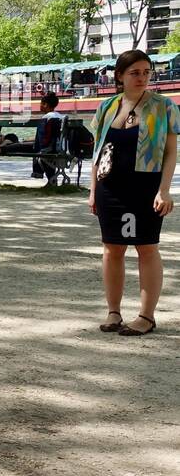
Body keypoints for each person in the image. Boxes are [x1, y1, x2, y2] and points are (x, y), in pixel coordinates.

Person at [90, 49, 179, 336]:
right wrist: (93, 191)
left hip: (145, 187)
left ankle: (146, 316)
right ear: (119, 76)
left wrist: (164, 190)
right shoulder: (107, 107)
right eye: (135, 72)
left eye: (146, 72)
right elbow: (97, 152)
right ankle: (113, 311)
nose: (142, 77)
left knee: (146, 247)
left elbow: (170, 153)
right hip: (109, 187)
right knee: (112, 248)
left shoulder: (164, 106)